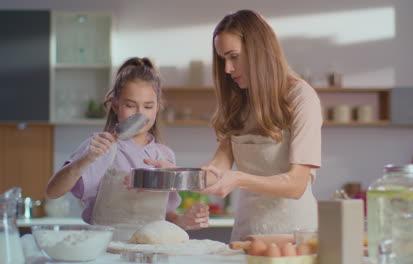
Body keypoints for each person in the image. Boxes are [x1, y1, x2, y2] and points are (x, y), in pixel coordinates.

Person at [46, 57, 209, 240]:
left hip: (150, 252)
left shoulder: (164, 155)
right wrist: (84, 160)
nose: (140, 114)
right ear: (115, 105)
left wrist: (183, 221)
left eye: (148, 106)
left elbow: (164, 217)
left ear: (157, 108)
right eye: (130, 105)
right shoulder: (99, 148)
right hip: (107, 252)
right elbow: (52, 192)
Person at [201, 10, 322, 241]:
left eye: (233, 56)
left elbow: (296, 184)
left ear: (258, 50)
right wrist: (172, 175)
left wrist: (238, 179)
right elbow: (217, 169)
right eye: (222, 59)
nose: (227, 69)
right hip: (246, 236)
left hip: (294, 236)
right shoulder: (238, 101)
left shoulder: (301, 98)